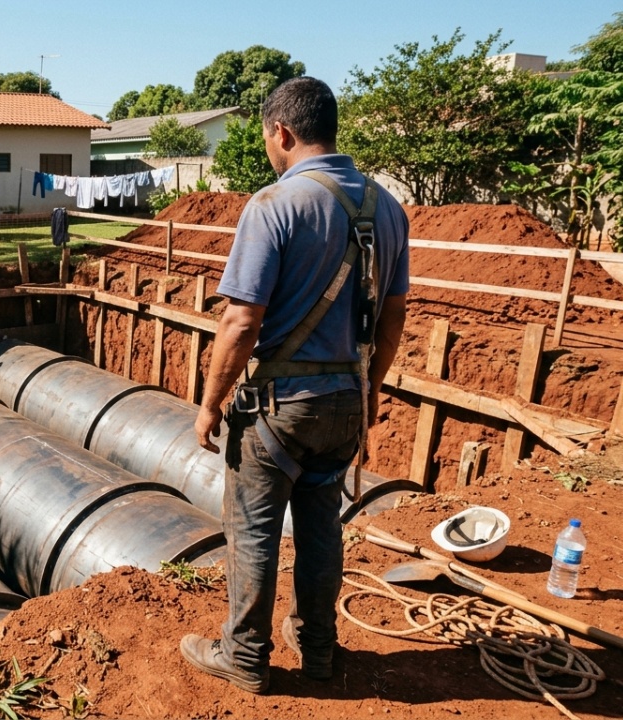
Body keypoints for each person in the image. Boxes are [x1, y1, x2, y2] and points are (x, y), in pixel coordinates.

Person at [181, 77, 409, 694]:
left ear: (281, 131)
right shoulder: (388, 208)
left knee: (254, 527)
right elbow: (392, 318)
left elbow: (240, 320)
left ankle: (245, 656)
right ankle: (319, 650)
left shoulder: (273, 206)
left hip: (280, 407)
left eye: (265, 138)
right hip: (346, 402)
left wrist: (208, 406)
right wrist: (371, 387)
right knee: (320, 527)